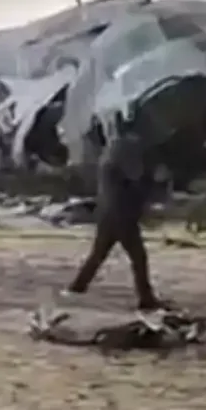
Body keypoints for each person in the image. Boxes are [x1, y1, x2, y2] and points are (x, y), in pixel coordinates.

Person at [64, 113, 159, 311]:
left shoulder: (112, 147)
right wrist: (153, 177)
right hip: (121, 211)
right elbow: (136, 177)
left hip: (107, 210)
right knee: (138, 257)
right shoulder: (127, 148)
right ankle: (146, 299)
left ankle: (76, 288)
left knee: (98, 254)